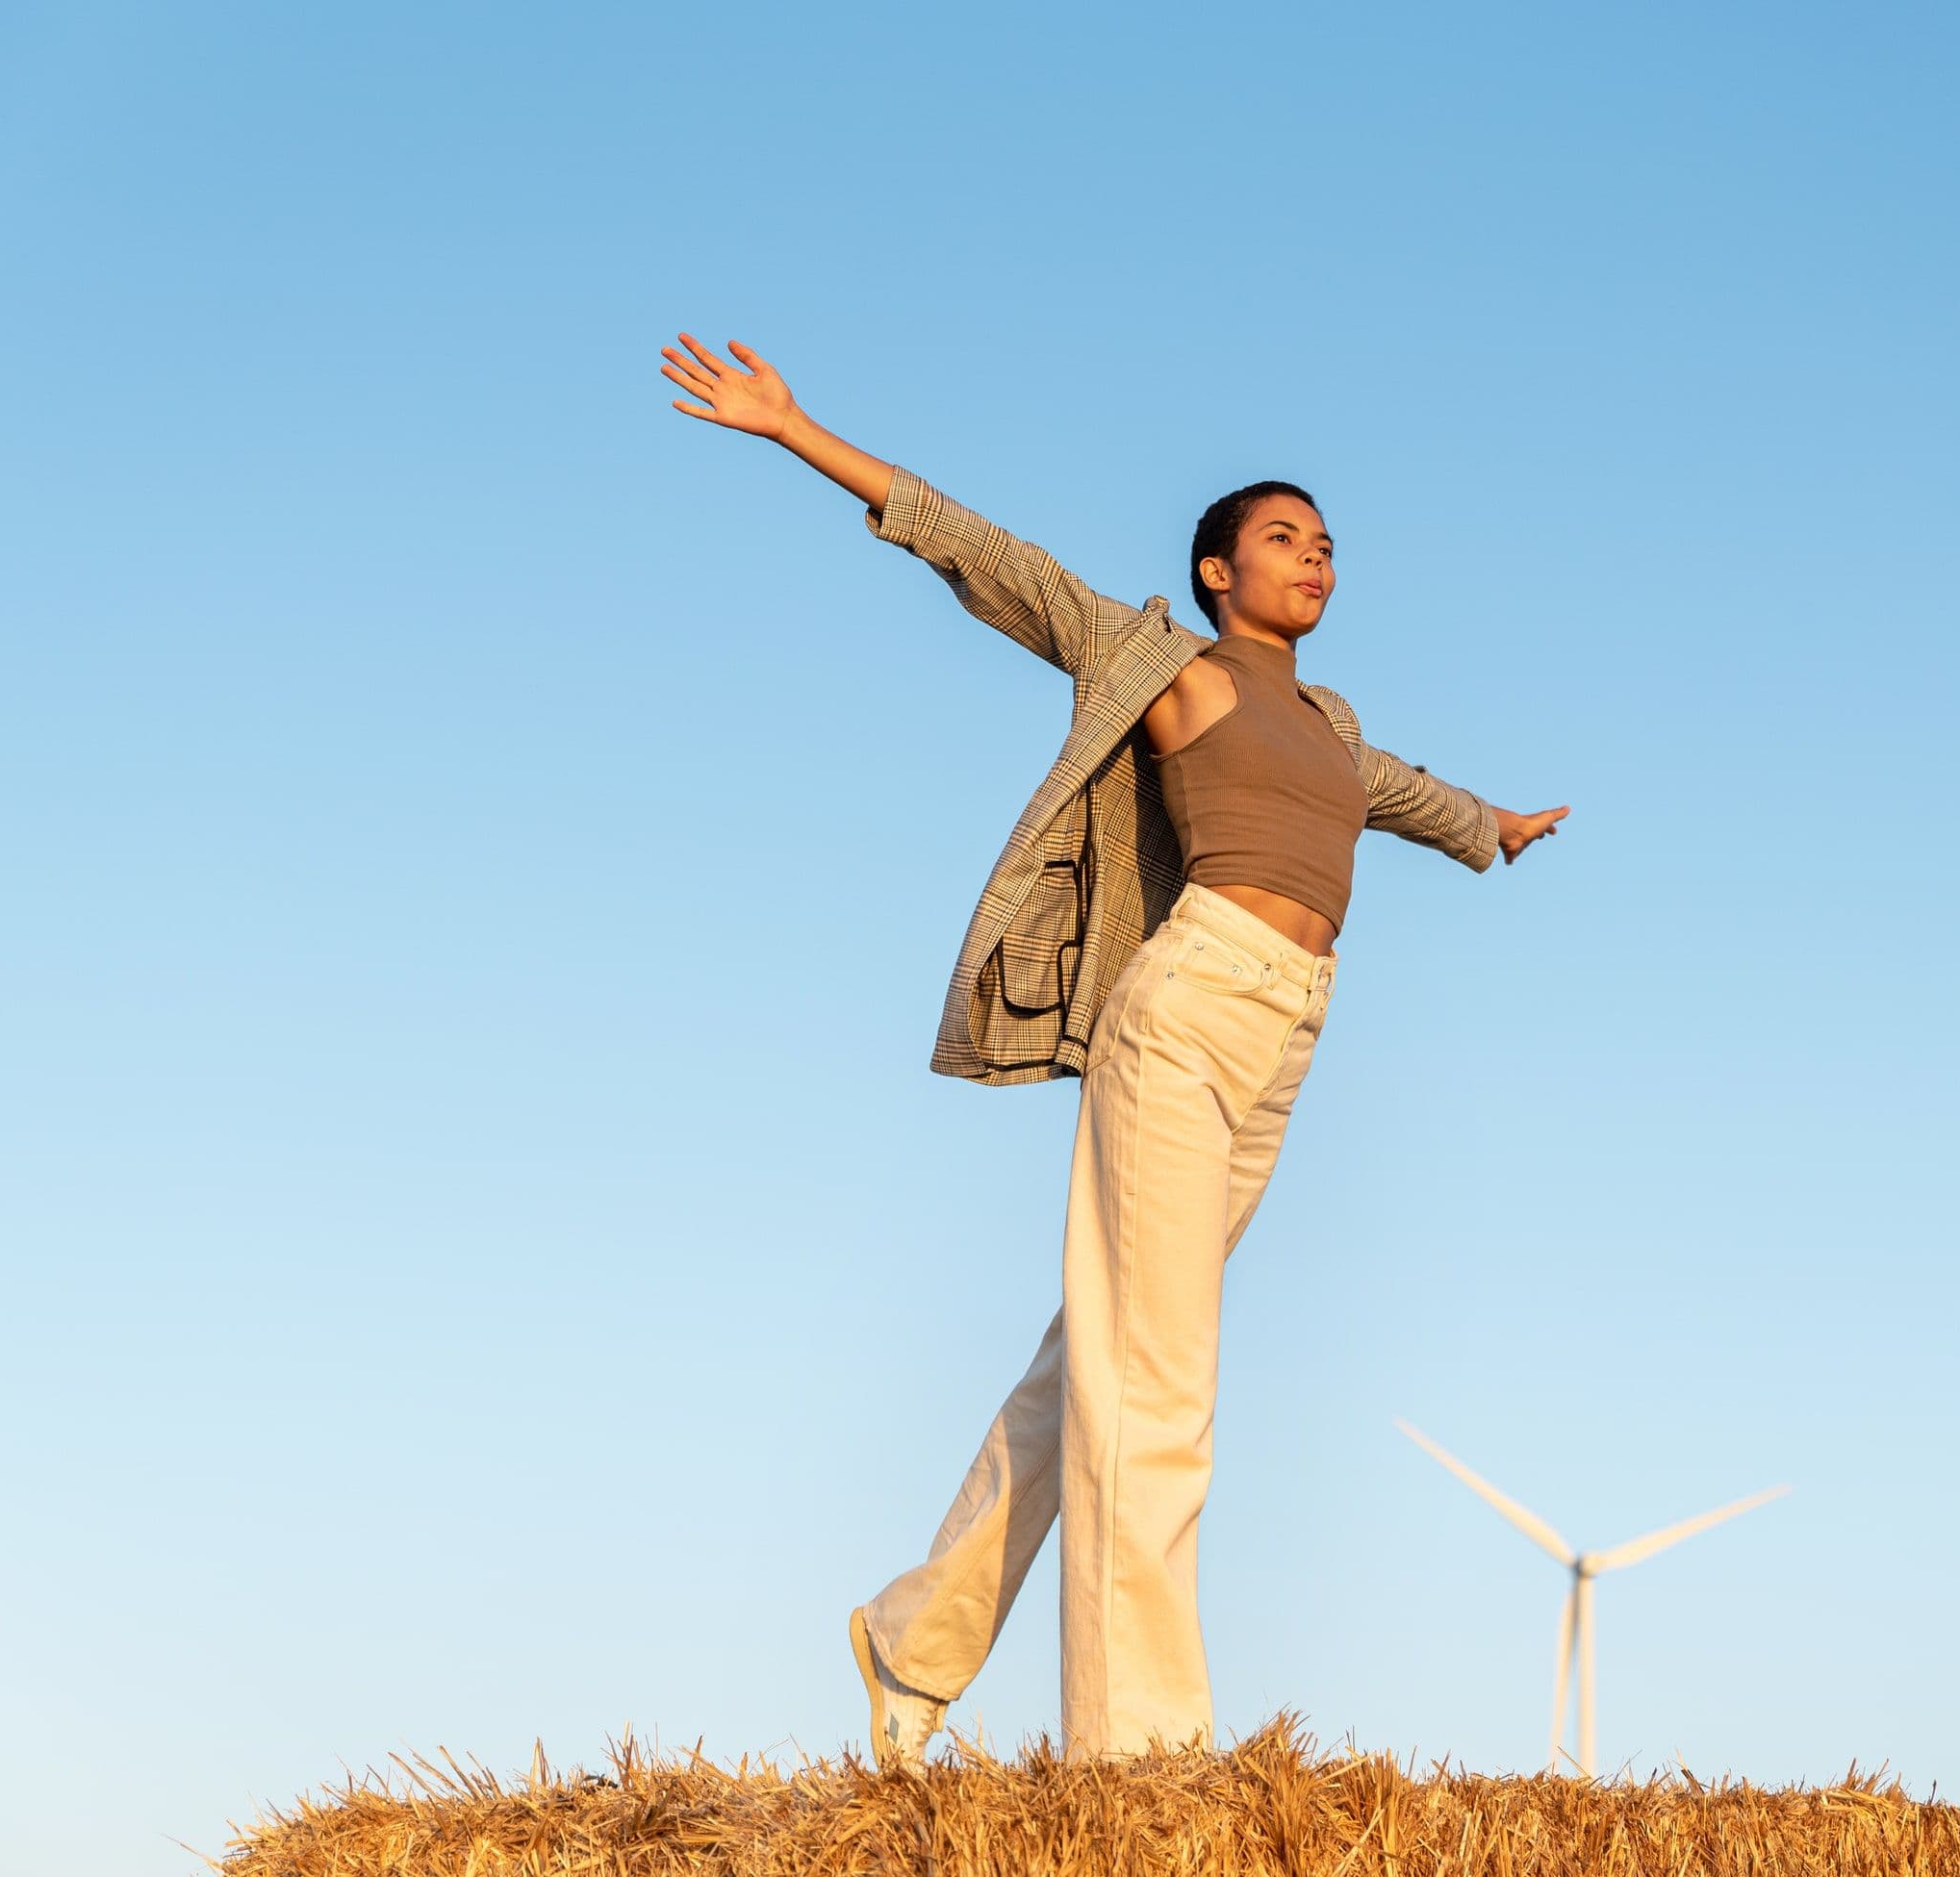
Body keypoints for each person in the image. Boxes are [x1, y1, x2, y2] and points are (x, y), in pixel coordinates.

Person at [659, 332, 1570, 1766]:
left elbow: (1392, 791)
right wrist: (795, 429)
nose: (1317, 557)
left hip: (1285, 1039)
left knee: (1108, 1353)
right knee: (1163, 1385)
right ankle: (1141, 1754)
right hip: (1186, 1009)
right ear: (1219, 570)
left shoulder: (1329, 722)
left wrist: (1490, 826)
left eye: (1329, 543)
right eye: (1285, 538)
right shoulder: (1162, 666)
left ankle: (915, 1632)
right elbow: (985, 554)